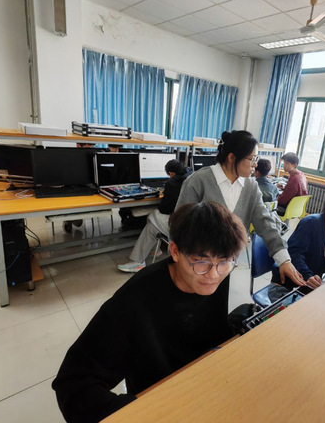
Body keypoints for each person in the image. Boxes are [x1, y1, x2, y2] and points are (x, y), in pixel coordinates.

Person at [52, 202, 248, 423]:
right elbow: (72, 383)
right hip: (162, 398)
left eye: (224, 262)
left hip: (207, 384)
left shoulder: (216, 271)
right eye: (201, 262)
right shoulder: (134, 300)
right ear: (175, 251)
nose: (213, 275)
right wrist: (140, 412)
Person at [176, 130, 306, 288]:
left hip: (226, 265)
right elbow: (179, 226)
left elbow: (265, 223)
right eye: (252, 159)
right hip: (196, 267)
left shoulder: (251, 186)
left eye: (256, 159)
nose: (255, 164)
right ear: (231, 157)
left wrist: (284, 260)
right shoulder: (198, 181)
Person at [268, 189, 325, 302]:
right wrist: (308, 276)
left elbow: (316, 266)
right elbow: (293, 254)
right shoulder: (311, 223)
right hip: (284, 290)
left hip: (300, 287)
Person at [118, 159, 192, 272]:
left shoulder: (172, 183)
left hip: (181, 225)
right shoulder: (191, 175)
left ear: (171, 174)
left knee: (152, 216)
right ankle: (153, 250)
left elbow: (164, 209)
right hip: (191, 222)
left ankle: (138, 261)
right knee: (152, 225)